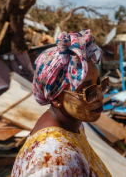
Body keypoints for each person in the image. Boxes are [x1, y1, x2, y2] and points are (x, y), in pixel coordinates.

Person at [11, 30, 111, 177]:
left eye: (100, 85)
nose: (100, 96)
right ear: (56, 98)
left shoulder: (73, 127)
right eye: (88, 90)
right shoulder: (54, 159)